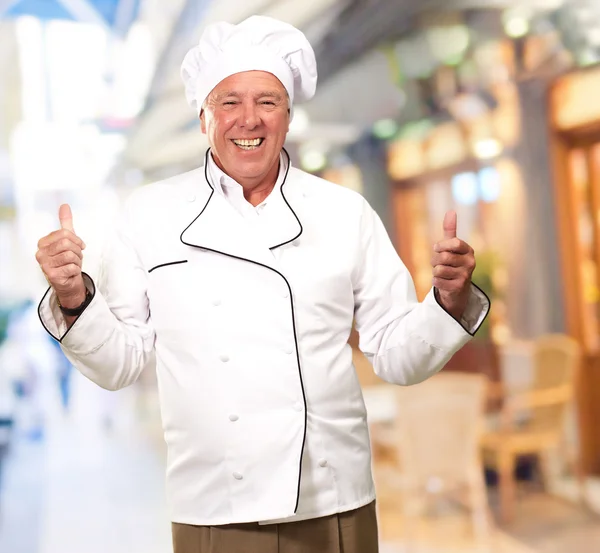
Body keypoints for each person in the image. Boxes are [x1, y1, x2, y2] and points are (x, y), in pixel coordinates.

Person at [35, 15, 490, 553]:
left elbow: (397, 355)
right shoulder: (148, 216)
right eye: (228, 101)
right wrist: (73, 298)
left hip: (333, 499)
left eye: (267, 101)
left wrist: (447, 300)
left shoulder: (345, 213)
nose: (248, 119)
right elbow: (121, 363)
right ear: (202, 115)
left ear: (289, 116)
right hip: (214, 507)